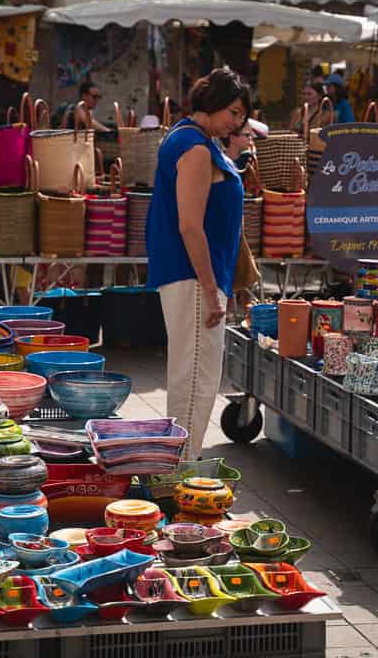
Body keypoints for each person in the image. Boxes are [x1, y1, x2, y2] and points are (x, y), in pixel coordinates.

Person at [146, 66, 250, 460]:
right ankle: (177, 476)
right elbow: (191, 226)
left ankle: (177, 469)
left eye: (241, 115)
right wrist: (210, 291)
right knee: (195, 381)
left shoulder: (192, 139)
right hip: (193, 278)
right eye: (233, 112)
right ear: (214, 102)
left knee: (194, 377)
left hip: (194, 275)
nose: (236, 121)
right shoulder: (194, 147)